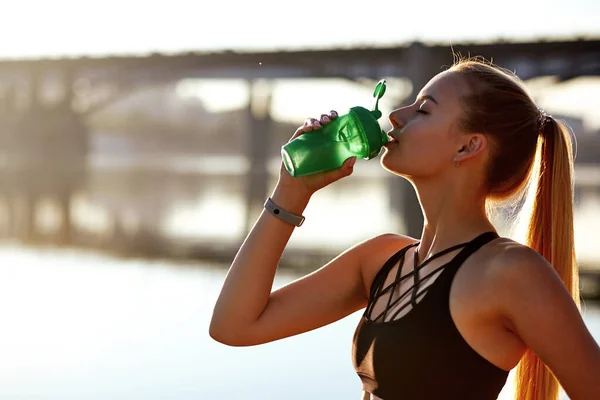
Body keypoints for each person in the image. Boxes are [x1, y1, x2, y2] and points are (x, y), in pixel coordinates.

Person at [209, 57, 600, 400]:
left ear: (468, 147)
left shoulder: (510, 272)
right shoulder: (381, 258)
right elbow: (234, 326)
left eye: (424, 110)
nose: (395, 115)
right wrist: (291, 193)